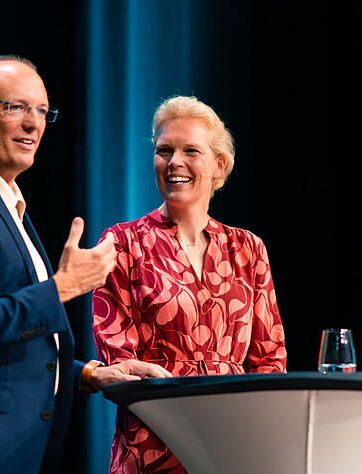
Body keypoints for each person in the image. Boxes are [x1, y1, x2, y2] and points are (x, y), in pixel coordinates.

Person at [0, 55, 171, 474]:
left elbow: (3, 348)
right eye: (16, 108)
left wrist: (91, 375)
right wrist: (61, 288)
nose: (33, 124)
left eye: (41, 111)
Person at [92, 96, 288, 473]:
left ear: (219, 164)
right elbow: (119, 363)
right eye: (164, 150)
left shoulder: (248, 248)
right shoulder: (122, 244)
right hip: (153, 442)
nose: (174, 162)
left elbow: (270, 360)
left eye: (190, 151)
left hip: (234, 442)